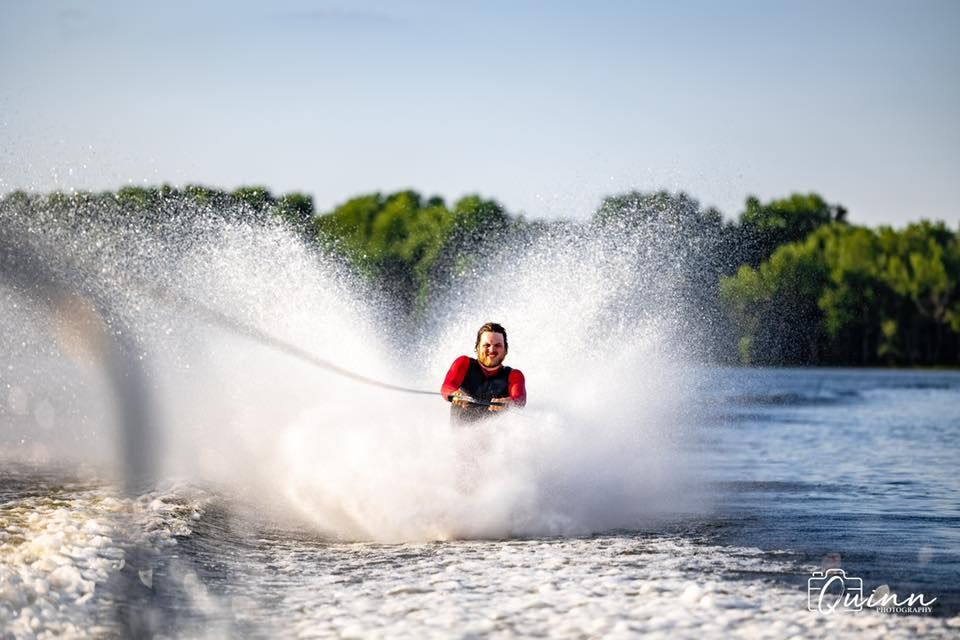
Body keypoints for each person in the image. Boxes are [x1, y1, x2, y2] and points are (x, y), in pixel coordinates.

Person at [441, 322, 526, 424]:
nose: (492, 350)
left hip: (496, 437)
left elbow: (519, 399)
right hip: (458, 436)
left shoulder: (514, 375)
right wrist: (453, 393)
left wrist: (510, 402)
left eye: (498, 345)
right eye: (487, 345)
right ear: (477, 347)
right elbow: (447, 387)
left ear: (505, 350)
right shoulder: (463, 363)